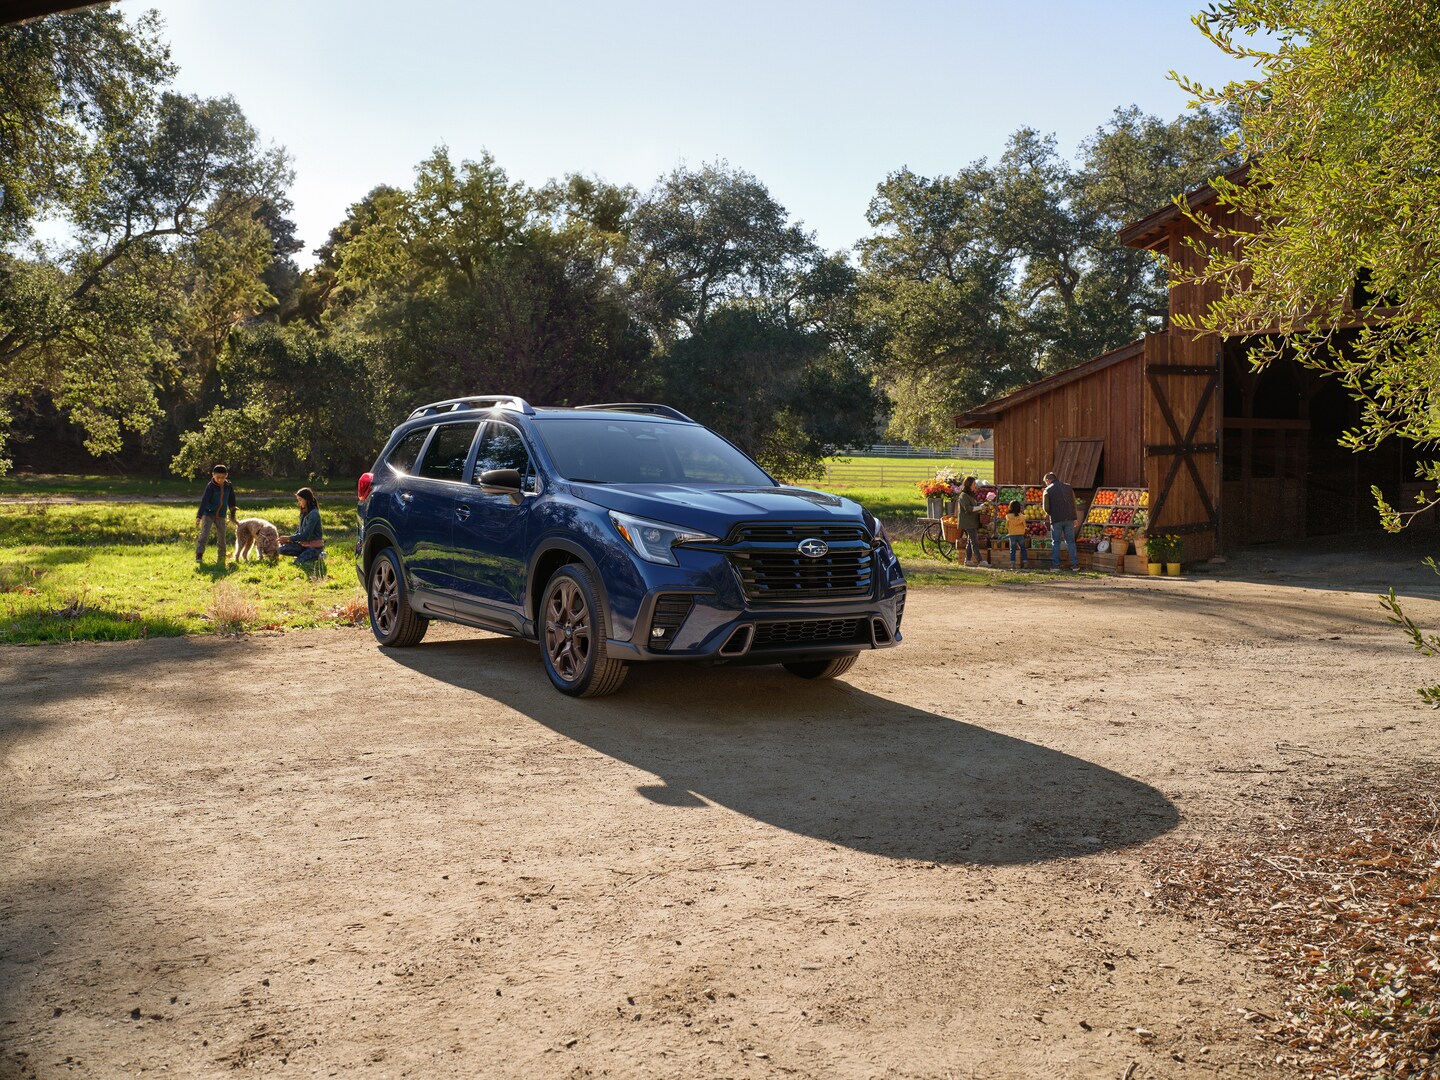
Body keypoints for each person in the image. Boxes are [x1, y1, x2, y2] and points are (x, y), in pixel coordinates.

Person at [195, 464, 238, 567]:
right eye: (217, 477)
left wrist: (233, 510)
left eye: (222, 477)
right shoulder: (210, 486)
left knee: (222, 537)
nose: (220, 480)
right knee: (204, 534)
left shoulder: (228, 486)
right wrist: (199, 516)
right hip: (208, 514)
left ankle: (222, 556)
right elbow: (204, 501)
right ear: (213, 475)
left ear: (226, 476)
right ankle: (199, 555)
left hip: (221, 515)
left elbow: (231, 499)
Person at [278, 487, 324, 565]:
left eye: (300, 500)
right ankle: (305, 554)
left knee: (298, 563)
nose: (299, 502)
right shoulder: (304, 512)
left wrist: (289, 538)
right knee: (280, 550)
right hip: (303, 545)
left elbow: (306, 535)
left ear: (307, 500)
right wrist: (288, 540)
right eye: (298, 500)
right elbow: (299, 531)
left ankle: (317, 555)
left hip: (314, 546)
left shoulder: (314, 514)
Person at [1043, 470, 1079, 571]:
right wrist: (1075, 517)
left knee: (1056, 542)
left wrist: (1050, 514)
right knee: (1071, 542)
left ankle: (1056, 565)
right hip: (1069, 518)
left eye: (1045, 482)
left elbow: (1046, 507)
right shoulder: (1068, 487)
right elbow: (1074, 503)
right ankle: (1075, 565)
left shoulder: (1047, 490)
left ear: (1048, 480)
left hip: (1056, 519)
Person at [954, 475, 984, 566]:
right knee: (974, 542)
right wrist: (979, 507)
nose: (975, 485)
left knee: (970, 541)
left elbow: (973, 506)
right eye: (974, 484)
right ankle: (980, 561)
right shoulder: (963, 496)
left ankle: (967, 561)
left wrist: (982, 505)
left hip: (972, 522)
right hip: (968, 522)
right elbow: (967, 508)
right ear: (969, 484)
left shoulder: (969, 495)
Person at [1005, 499, 1029, 569]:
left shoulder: (1008, 516)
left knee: (1012, 550)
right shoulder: (1022, 516)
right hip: (1020, 534)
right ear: (1019, 508)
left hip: (1012, 534)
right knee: (1023, 549)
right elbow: (1025, 526)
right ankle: (1025, 563)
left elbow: (1007, 526)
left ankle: (1013, 565)